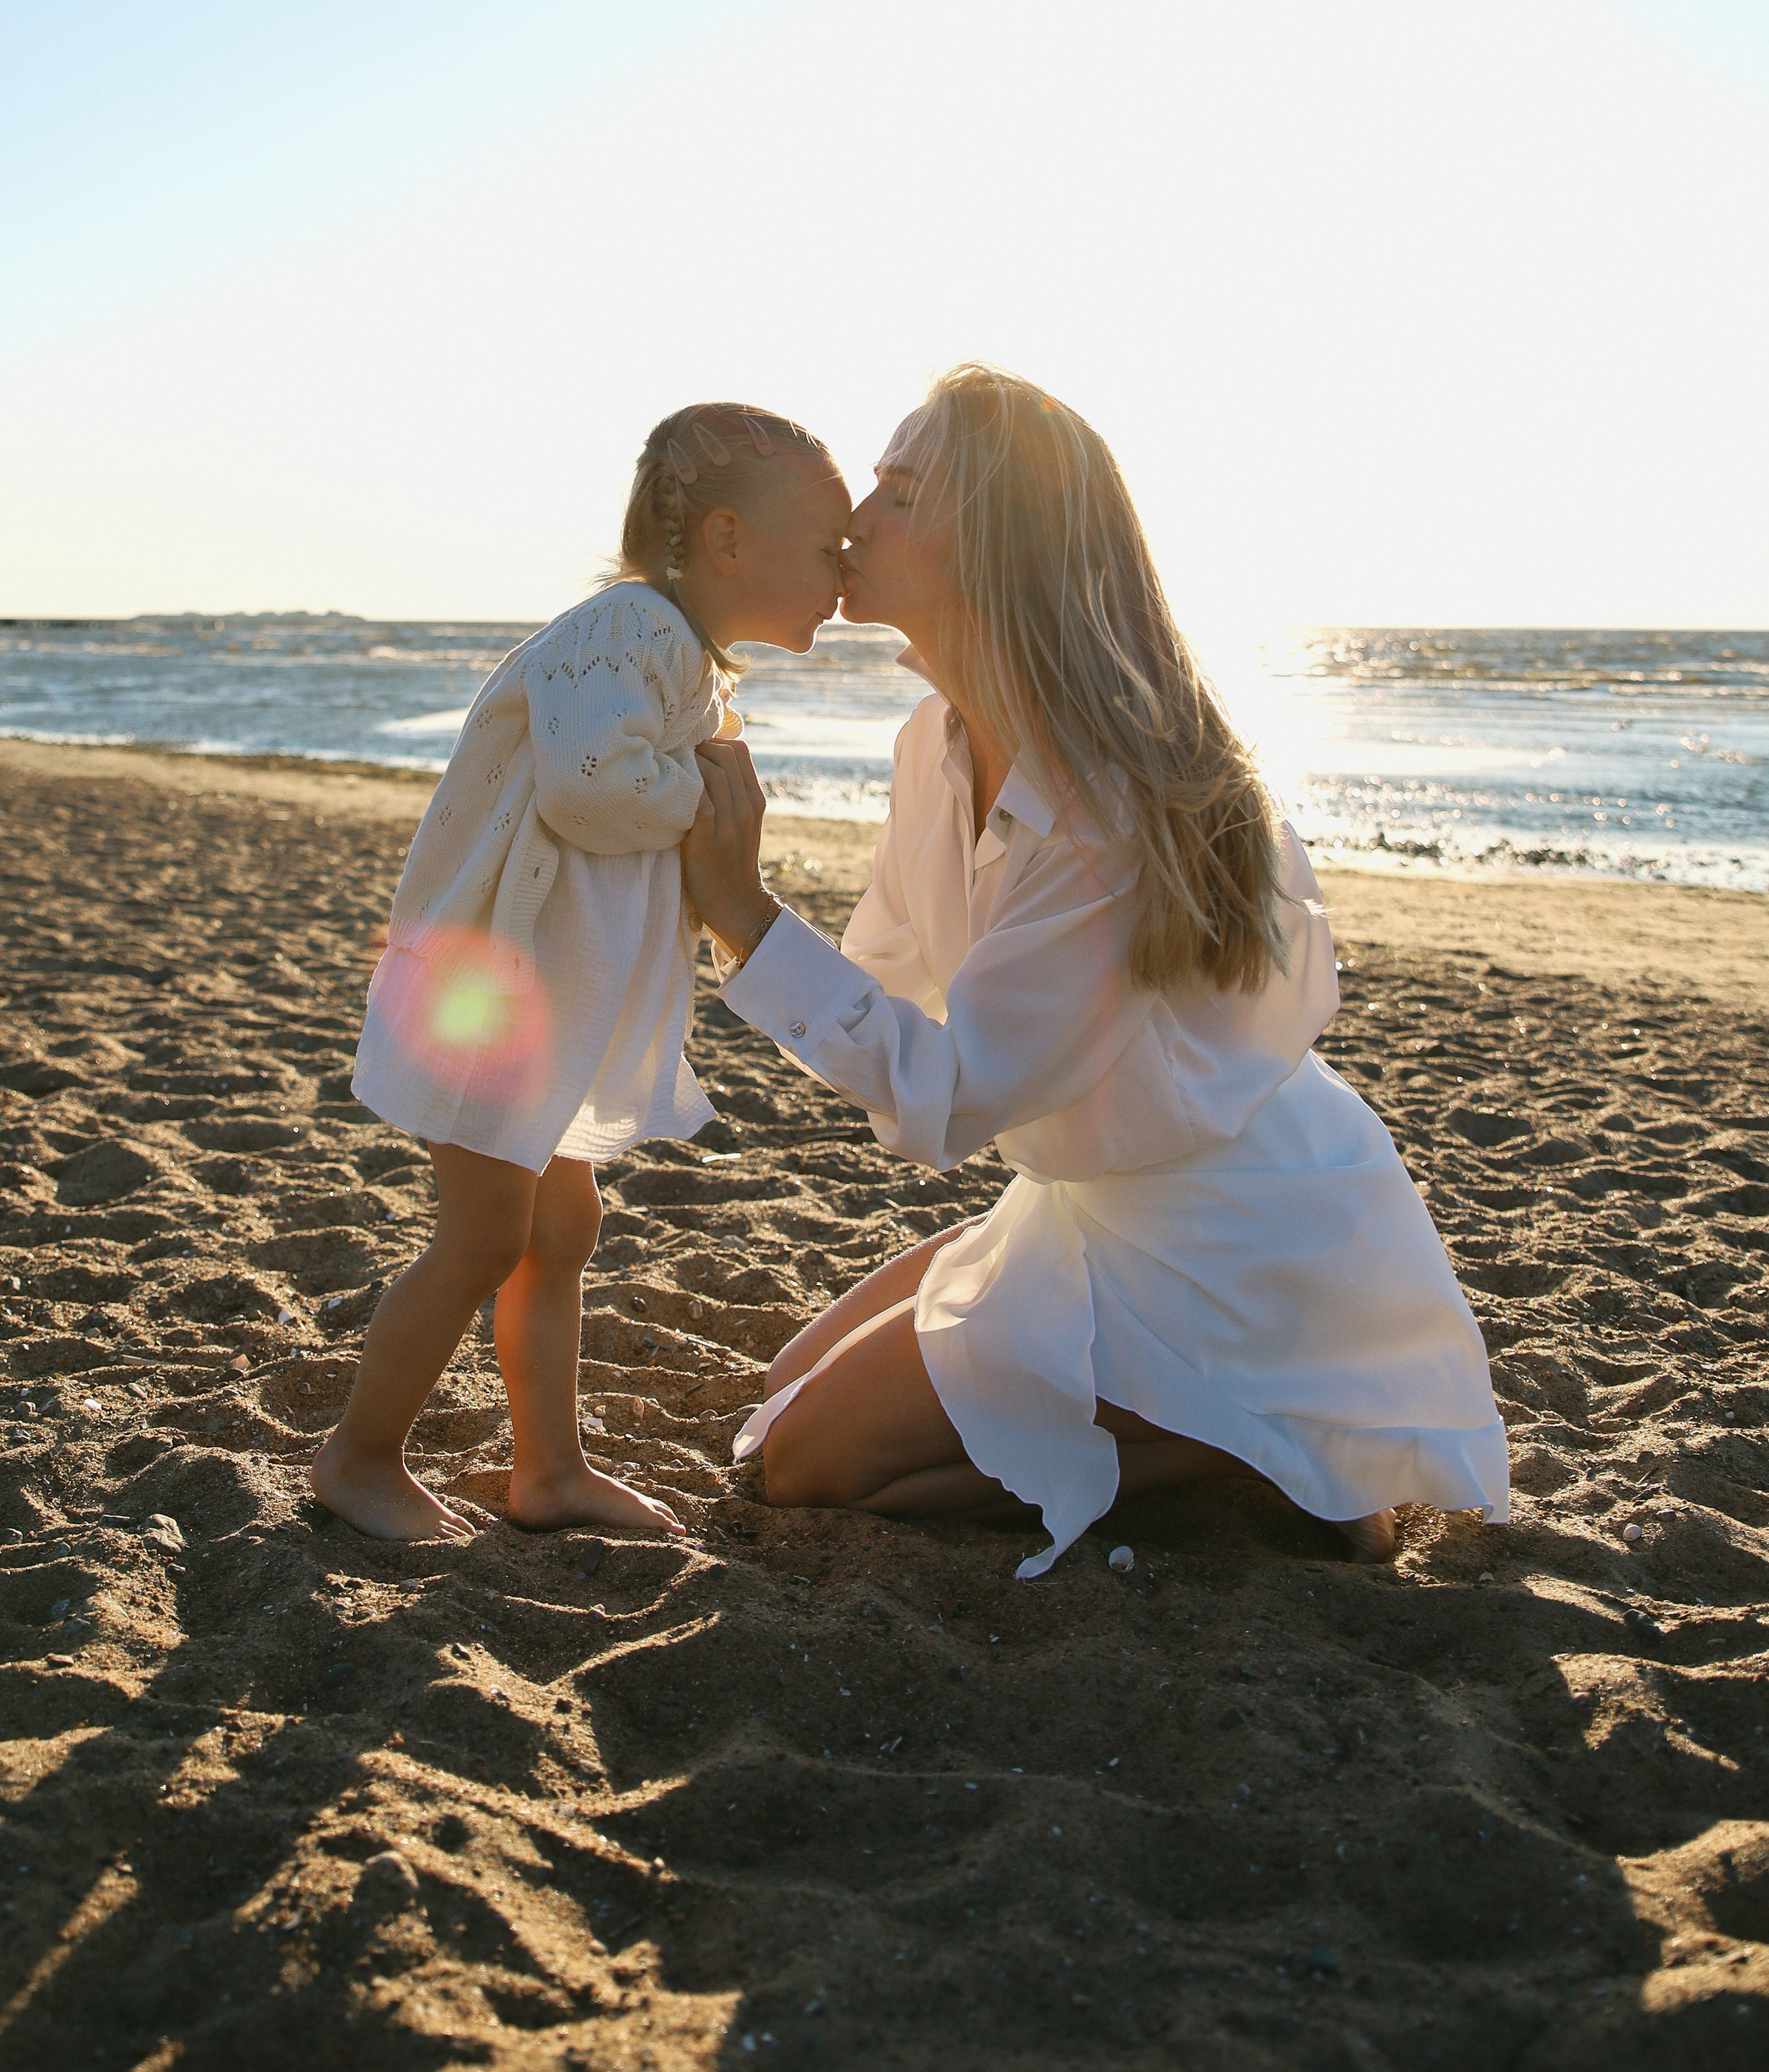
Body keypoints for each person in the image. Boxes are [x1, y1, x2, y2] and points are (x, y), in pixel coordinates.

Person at [684, 365, 1508, 1578]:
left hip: (1237, 1245)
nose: (855, 517)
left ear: (998, 545)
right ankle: (1236, 1435)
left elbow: (951, 1095)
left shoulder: (1104, 805)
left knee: (810, 1463)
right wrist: (685, 882)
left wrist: (747, 918)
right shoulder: (933, 743)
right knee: (784, 1394)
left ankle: (1264, 1444)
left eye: (900, 492)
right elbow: (886, 982)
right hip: (1096, 1204)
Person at [313, 403, 850, 1541]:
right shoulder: (629, 629)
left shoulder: (678, 653)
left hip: (542, 1005)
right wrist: (710, 808)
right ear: (726, 540)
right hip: (489, 992)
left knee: (561, 1229)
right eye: (825, 547)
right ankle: (358, 1457)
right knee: (484, 1236)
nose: (843, 578)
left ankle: (548, 1473)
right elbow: (591, 781)